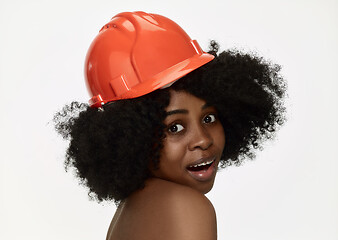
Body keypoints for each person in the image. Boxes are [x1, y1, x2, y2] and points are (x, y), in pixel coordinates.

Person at [54, 11, 286, 240]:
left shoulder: (135, 208)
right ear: (132, 137)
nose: (203, 140)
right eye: (175, 127)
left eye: (209, 118)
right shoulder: (185, 207)